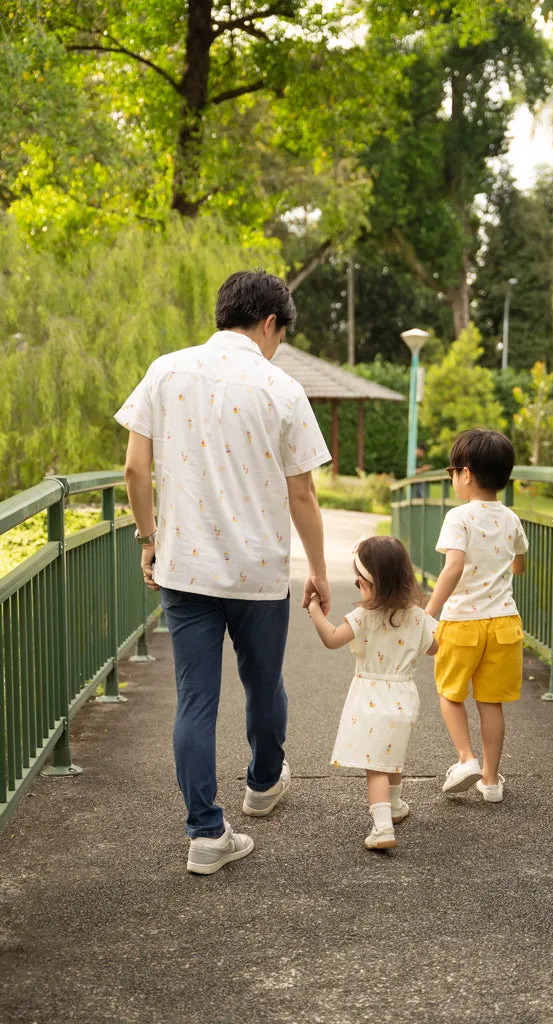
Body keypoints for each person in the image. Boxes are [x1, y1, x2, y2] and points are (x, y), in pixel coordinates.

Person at [115, 270, 331, 875]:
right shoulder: (282, 388)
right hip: (260, 571)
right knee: (264, 684)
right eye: (280, 334)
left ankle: (206, 834)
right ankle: (263, 786)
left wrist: (149, 539)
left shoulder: (166, 370)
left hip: (185, 568)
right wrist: (316, 568)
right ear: (270, 324)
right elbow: (304, 496)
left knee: (195, 700)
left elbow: (135, 469)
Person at [307, 536, 438, 851]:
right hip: (405, 696)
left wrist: (314, 610)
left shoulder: (364, 616)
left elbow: (332, 639)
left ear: (372, 583)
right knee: (390, 753)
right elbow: (434, 647)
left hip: (371, 697)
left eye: (359, 582)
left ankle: (382, 828)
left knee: (375, 765)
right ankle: (394, 806)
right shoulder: (418, 615)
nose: (358, 587)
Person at [425, 428, 527, 804]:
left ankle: (466, 759)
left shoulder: (458, 516)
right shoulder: (511, 518)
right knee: (490, 701)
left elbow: (453, 567)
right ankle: (491, 780)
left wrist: (429, 614)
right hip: (503, 623)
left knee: (450, 694)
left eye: (452, 471)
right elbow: (519, 566)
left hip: (462, 622)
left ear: (465, 473)